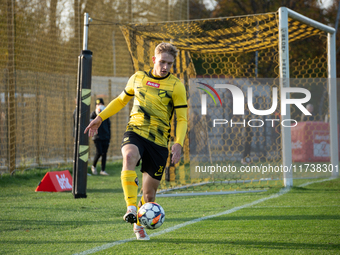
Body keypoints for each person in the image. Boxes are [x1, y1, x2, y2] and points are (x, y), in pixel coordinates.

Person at [84, 43, 188, 241]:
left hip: (159, 141)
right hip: (136, 131)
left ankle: (138, 224)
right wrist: (100, 117)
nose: (165, 66)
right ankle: (131, 207)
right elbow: (121, 100)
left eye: (170, 63)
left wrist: (178, 142)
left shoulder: (176, 86)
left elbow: (182, 118)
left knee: (149, 196)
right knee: (129, 155)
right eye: (162, 62)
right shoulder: (138, 78)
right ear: (154, 60)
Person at [90, 98, 111, 176]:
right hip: (97, 137)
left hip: (105, 136)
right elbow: (90, 123)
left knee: (104, 153)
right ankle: (93, 166)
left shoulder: (106, 114)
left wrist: (109, 137)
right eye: (97, 104)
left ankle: (103, 170)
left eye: (100, 104)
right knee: (99, 152)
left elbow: (109, 126)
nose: (99, 106)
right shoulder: (93, 114)